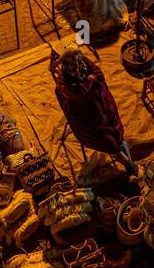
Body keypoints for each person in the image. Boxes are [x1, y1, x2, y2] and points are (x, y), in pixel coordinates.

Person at [53, 48, 137, 181]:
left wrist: (92, 80)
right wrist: (89, 82)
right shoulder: (63, 83)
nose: (79, 68)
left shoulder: (83, 61)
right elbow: (75, 94)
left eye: (79, 64)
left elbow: (98, 73)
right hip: (86, 116)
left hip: (102, 105)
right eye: (75, 67)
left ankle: (129, 162)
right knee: (105, 138)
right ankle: (127, 163)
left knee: (115, 130)